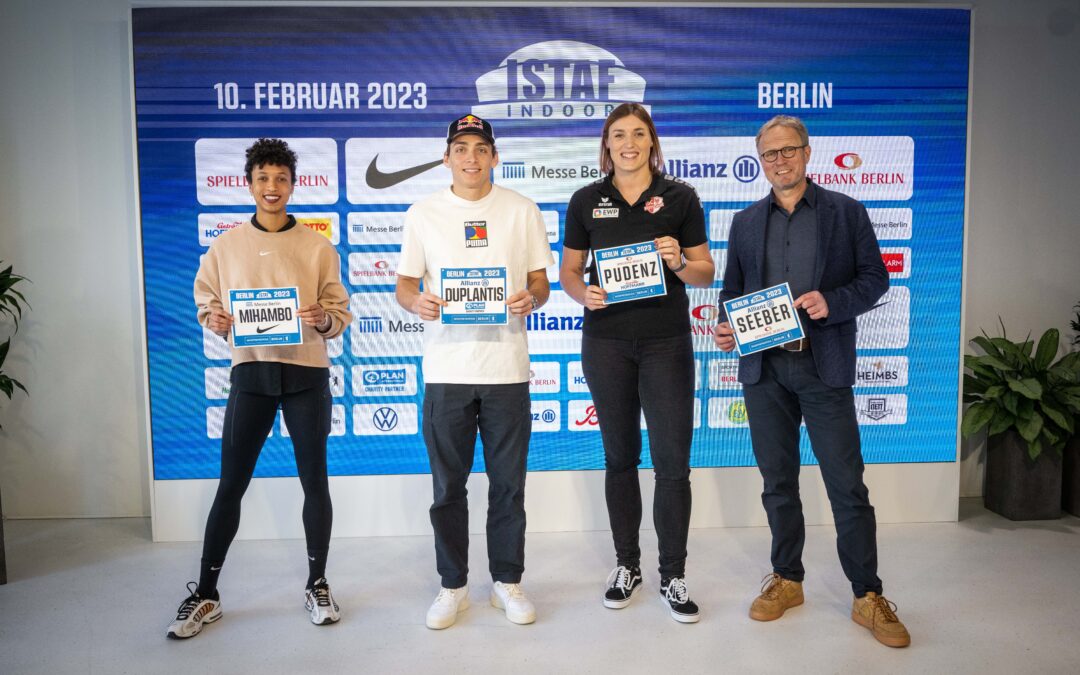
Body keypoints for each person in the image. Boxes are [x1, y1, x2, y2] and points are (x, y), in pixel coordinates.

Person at [712, 115, 910, 647]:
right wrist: (726, 324)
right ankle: (788, 579)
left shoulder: (846, 212)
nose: (780, 161)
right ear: (762, 162)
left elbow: (875, 278)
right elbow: (732, 290)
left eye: (788, 151)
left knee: (847, 485)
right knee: (778, 482)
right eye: (769, 154)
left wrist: (833, 301)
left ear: (807, 153)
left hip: (822, 366)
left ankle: (868, 594)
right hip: (765, 370)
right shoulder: (746, 221)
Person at [167, 138, 352, 639]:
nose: (272, 187)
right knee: (232, 485)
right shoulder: (226, 246)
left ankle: (317, 582)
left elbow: (340, 312)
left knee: (314, 482)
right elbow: (205, 298)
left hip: (306, 378)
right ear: (249, 184)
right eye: (263, 178)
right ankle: (206, 593)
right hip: (251, 377)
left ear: (293, 185)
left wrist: (324, 318)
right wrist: (217, 318)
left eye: (281, 178)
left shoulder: (317, 246)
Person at [396, 114, 553, 630]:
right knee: (448, 487)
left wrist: (531, 297)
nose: (470, 157)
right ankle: (453, 586)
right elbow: (405, 286)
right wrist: (416, 302)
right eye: (460, 148)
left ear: (493, 157)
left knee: (509, 485)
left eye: (480, 148)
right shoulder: (423, 212)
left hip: (506, 367)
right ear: (447, 157)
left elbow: (540, 281)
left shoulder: (521, 209)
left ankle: (506, 581)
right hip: (447, 369)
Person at [560, 103, 714, 623]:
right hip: (606, 343)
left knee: (672, 463)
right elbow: (569, 273)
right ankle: (628, 566)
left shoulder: (680, 197)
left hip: (666, 343)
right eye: (618, 134)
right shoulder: (586, 199)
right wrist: (584, 294)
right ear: (606, 144)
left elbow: (705, 273)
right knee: (619, 458)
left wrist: (678, 262)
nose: (629, 143)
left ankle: (673, 574)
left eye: (638, 134)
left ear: (652, 142)